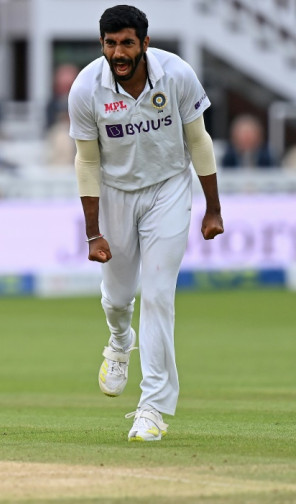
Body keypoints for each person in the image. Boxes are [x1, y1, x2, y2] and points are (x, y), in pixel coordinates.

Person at [67, 5, 224, 442]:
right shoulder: (85, 89)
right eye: (111, 43)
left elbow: (199, 140)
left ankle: (152, 408)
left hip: (168, 188)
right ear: (102, 45)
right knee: (118, 300)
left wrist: (213, 207)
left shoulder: (176, 75)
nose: (119, 52)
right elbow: (87, 160)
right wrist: (93, 232)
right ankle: (120, 342)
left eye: (127, 43)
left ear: (144, 44)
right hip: (115, 193)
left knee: (157, 295)